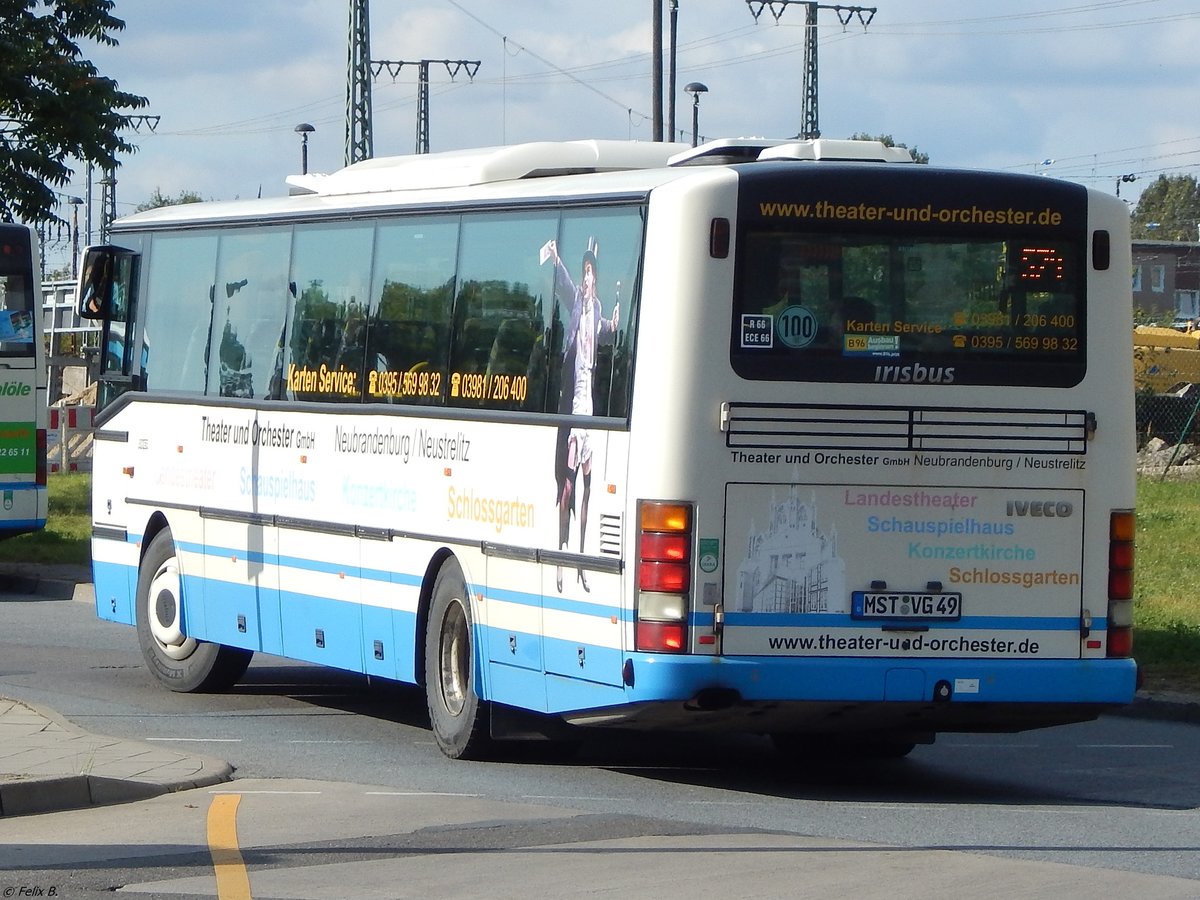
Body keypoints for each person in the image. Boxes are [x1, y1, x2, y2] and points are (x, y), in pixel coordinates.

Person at [545, 237, 619, 592]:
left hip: (589, 404)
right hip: (574, 405)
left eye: (591, 273)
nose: (587, 278)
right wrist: (558, 258)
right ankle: (560, 559)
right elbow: (562, 287)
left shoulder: (598, 307)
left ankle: (582, 562)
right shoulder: (576, 302)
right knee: (568, 486)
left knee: (590, 486)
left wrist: (613, 325)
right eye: (585, 272)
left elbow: (602, 333)